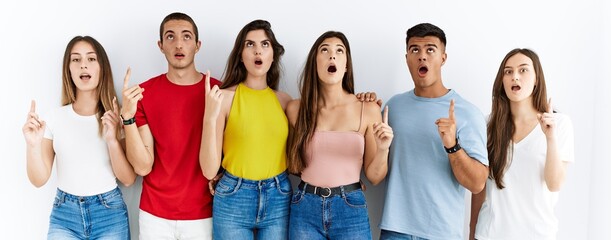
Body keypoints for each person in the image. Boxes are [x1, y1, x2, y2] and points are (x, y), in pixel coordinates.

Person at [378, 23, 489, 240]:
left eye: (430, 49)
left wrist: (453, 146)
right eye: (415, 50)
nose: (422, 56)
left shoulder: (467, 113)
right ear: (407, 58)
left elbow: (477, 184)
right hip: (395, 230)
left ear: (443, 58)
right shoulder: (393, 107)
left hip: (442, 233)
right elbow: (374, 160)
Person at [23, 35, 136, 239]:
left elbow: (128, 179)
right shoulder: (54, 118)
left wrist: (112, 139)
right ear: (69, 69)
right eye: (76, 59)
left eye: (91, 59)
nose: (83, 65)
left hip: (109, 214)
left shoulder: (115, 117)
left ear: (102, 67)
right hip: (64, 216)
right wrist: (32, 145)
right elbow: (39, 180)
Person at [121, 12, 221, 239]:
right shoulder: (144, 94)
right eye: (170, 37)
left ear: (198, 45)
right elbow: (143, 167)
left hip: (203, 213)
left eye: (186, 37)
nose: (178, 44)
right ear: (160, 45)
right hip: (154, 215)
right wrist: (127, 117)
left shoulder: (217, 93)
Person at [285, 31, 394, 240]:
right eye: (324, 50)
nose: (332, 56)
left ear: (346, 65)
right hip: (304, 206)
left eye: (339, 51)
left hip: (350, 208)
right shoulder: (295, 109)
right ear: (314, 63)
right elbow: (290, 164)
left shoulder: (368, 109)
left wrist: (383, 149)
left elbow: (375, 177)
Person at [199, 19, 292, 239]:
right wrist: (210, 117)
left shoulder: (286, 102)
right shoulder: (223, 98)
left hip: (278, 196)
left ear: (273, 54)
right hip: (234, 198)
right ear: (241, 54)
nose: (258, 50)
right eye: (250, 44)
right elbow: (209, 171)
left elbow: (322, 127)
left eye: (265, 44)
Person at [469, 48, 575, 240]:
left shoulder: (559, 124)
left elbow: (555, 184)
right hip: (488, 235)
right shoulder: (487, 125)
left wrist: (550, 137)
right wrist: (471, 232)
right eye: (508, 72)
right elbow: (480, 188)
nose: (514, 77)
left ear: (536, 79)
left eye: (523, 70)